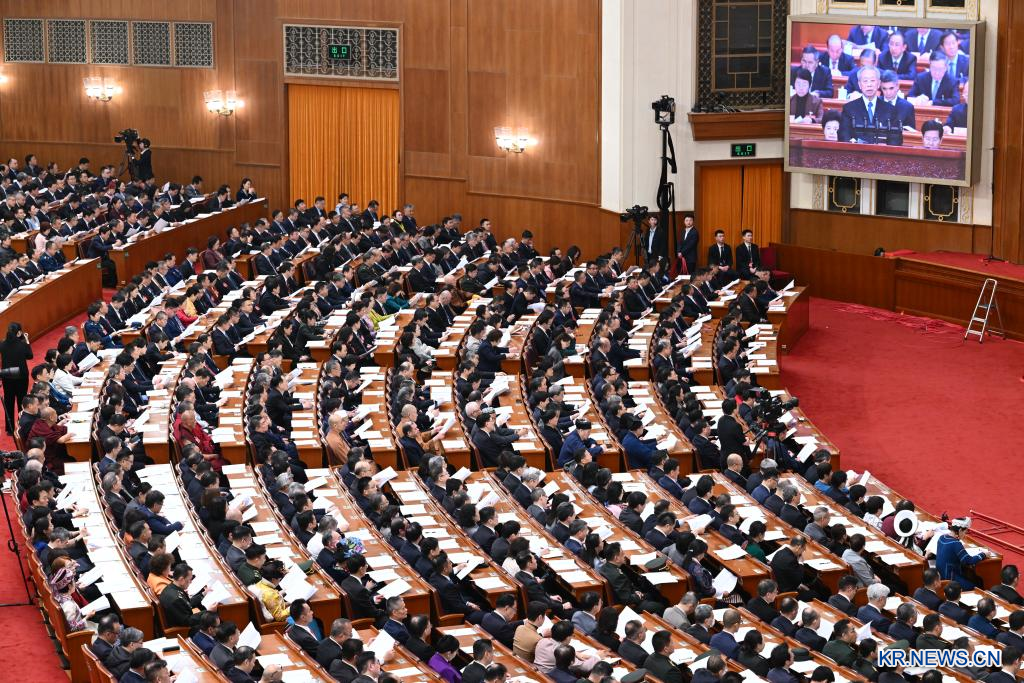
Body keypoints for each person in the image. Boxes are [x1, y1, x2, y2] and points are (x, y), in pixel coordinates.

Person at [838, 66, 896, 143]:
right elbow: (843, 136)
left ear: (879, 83)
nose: (869, 84)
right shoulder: (849, 109)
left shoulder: (890, 109)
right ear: (859, 84)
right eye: (865, 81)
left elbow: (896, 139)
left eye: (872, 80)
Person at [0, 322, 32, 435]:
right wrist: (27, 341)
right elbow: (30, 356)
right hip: (21, 376)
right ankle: (22, 426)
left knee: (9, 401)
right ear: (19, 332)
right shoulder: (22, 344)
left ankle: (9, 429)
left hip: (7, 375)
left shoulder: (2, 344)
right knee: (21, 401)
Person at [935, 517, 985, 589]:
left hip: (941, 575)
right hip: (950, 578)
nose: (965, 535)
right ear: (960, 530)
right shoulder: (956, 543)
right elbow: (969, 561)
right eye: (965, 532)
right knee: (974, 587)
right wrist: (983, 554)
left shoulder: (942, 537)